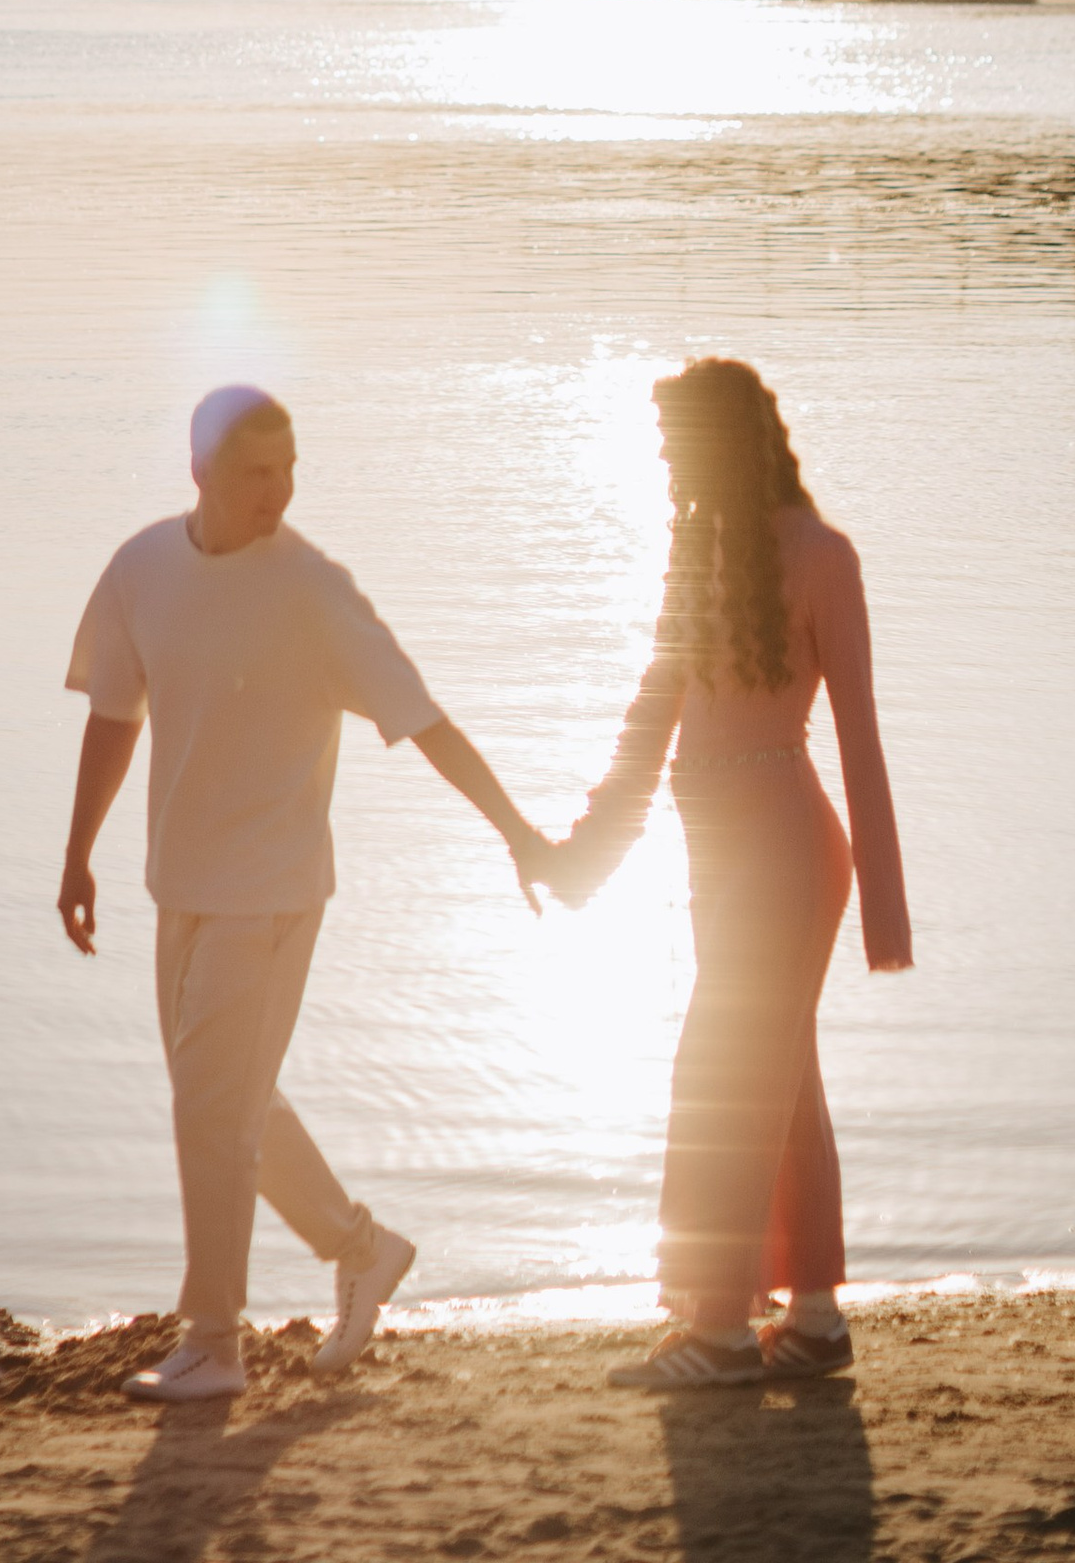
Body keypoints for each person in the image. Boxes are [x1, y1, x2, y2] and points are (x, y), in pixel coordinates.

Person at [61, 381, 555, 1404]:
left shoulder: (313, 589)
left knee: (210, 1107)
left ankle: (214, 1343)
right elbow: (116, 713)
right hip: (180, 884)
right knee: (228, 1103)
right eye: (255, 470)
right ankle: (360, 1249)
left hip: (274, 890)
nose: (277, 489)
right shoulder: (140, 568)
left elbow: (422, 718)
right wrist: (78, 853)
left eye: (289, 468)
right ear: (198, 468)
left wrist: (518, 833)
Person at [549, 356, 911, 1391]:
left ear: (724, 443)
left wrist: (884, 910)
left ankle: (714, 1328)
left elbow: (860, 738)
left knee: (717, 1074)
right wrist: (584, 854)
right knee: (779, 1078)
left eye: (676, 447)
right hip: (718, 857)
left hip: (791, 857)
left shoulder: (823, 557)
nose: (666, 466)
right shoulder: (696, 549)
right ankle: (814, 1319)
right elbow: (649, 717)